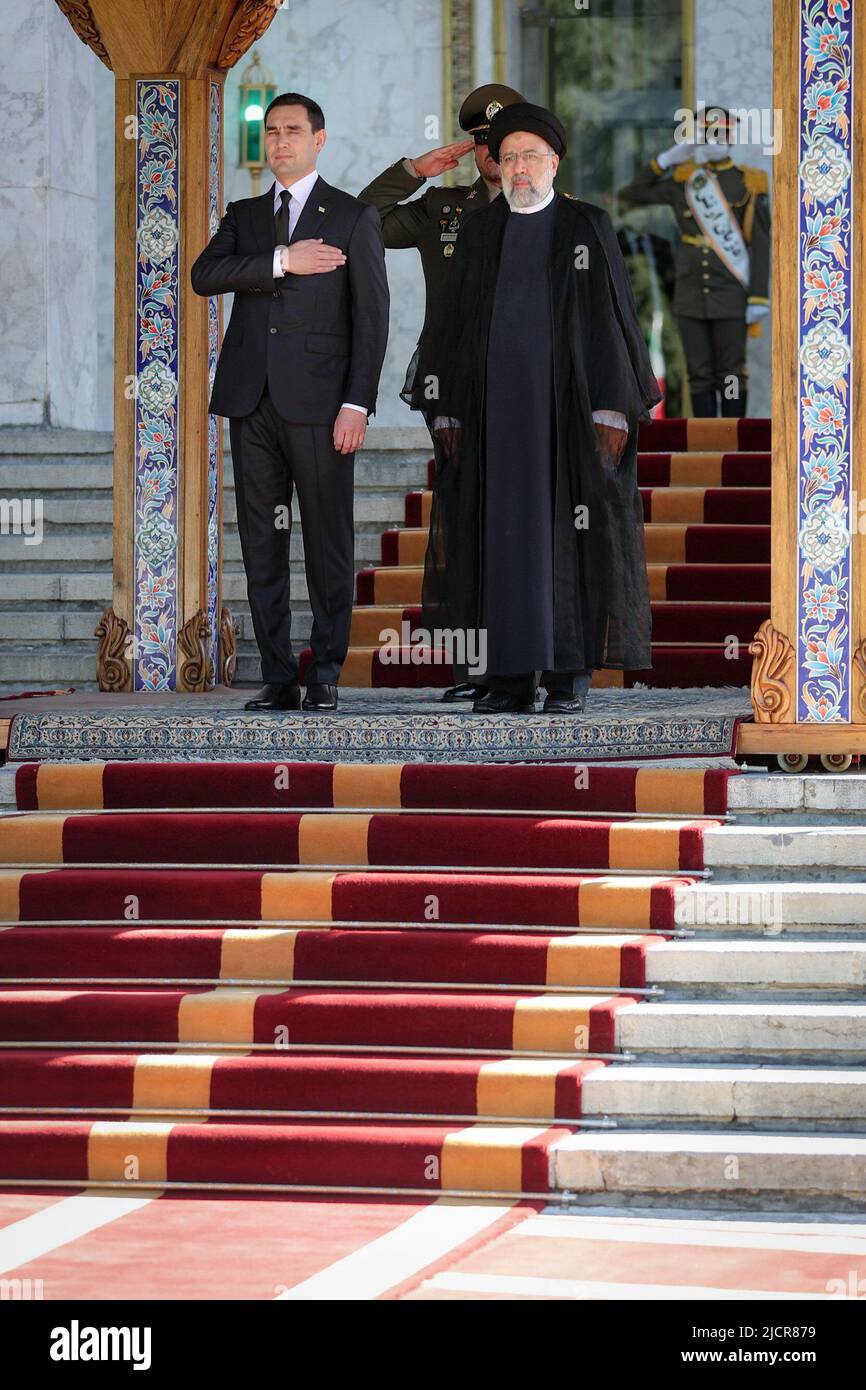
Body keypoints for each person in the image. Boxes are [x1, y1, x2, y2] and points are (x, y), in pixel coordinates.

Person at [405, 102, 661, 714]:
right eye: (510, 156)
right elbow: (452, 323)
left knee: (568, 536)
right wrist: (445, 405)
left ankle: (567, 675)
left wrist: (613, 407)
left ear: (554, 162)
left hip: (567, 414)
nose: (520, 168)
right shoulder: (479, 230)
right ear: (498, 165)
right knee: (497, 538)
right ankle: (508, 678)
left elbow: (611, 321)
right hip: (491, 415)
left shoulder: (586, 226)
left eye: (531, 157)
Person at [191, 92, 389, 712]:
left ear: (319, 140)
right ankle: (279, 675)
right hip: (252, 404)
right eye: (272, 131)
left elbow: (373, 319)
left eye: (294, 131)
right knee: (261, 541)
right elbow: (204, 275)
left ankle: (325, 670)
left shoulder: (353, 217)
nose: (281, 142)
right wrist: (283, 260)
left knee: (327, 540)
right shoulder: (245, 214)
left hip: (324, 407)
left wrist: (358, 403)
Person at [358, 82, 525, 703]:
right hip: (452, 383)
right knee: (464, 517)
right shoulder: (443, 207)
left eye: (501, 141)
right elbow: (359, 225)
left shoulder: (546, 205)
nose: (490, 152)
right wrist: (411, 173)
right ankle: (473, 666)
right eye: (481, 142)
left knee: (523, 519)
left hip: (525, 385)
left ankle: (528, 659)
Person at [618, 106, 770, 418]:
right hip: (690, 291)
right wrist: (666, 160)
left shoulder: (748, 183)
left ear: (730, 137)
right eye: (707, 134)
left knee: (730, 372)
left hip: (730, 289)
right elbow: (631, 194)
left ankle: (732, 437)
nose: (714, 140)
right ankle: (705, 440)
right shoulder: (685, 179)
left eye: (720, 134)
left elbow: (762, 243)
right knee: (698, 373)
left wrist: (758, 295)